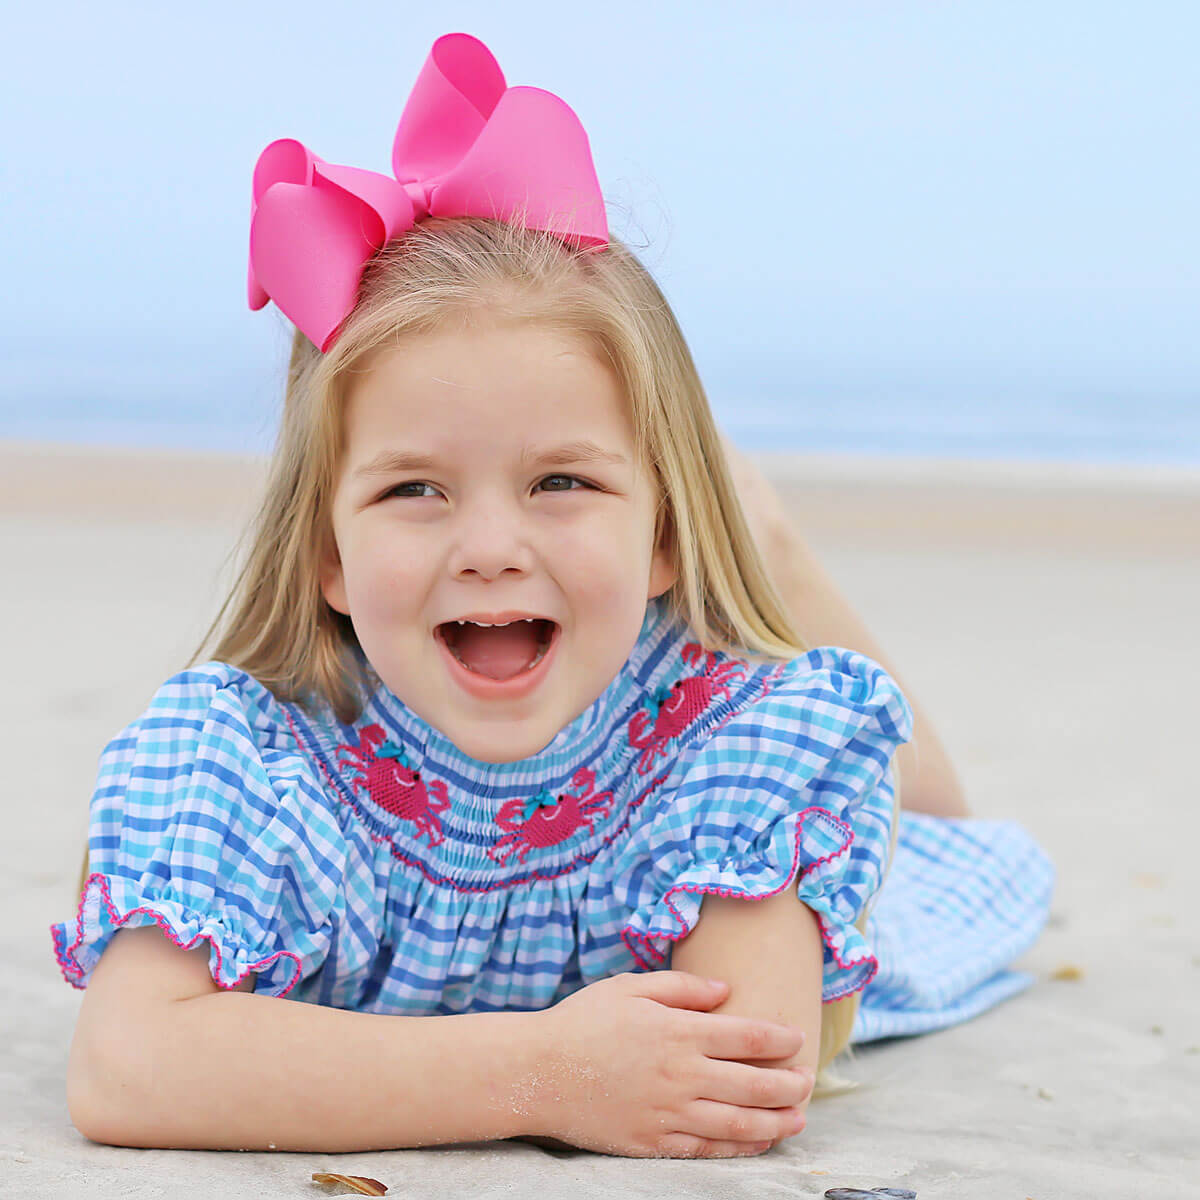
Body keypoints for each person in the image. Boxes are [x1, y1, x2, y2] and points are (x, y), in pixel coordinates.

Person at [52, 33, 1054, 1160]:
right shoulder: (249, 761)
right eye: (414, 487)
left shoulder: (726, 744)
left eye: (559, 480)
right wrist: (542, 1075)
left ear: (663, 535)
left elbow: (748, 1062)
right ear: (325, 553)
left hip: (772, 783)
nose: (489, 547)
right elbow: (126, 1065)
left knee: (941, 831)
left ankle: (759, 534)